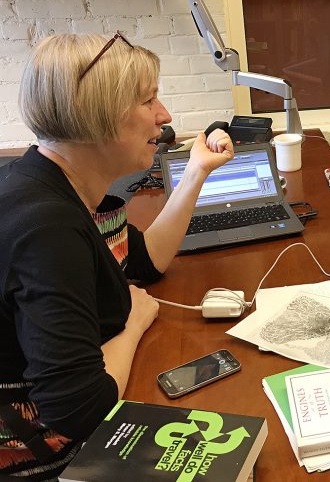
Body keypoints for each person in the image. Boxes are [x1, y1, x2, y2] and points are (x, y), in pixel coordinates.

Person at [0, 32, 234, 480]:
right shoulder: (47, 229)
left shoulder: (53, 183)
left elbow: (141, 262)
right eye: (149, 101)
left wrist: (197, 170)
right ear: (97, 119)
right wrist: (131, 322)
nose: (164, 117)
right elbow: (79, 412)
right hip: (45, 456)